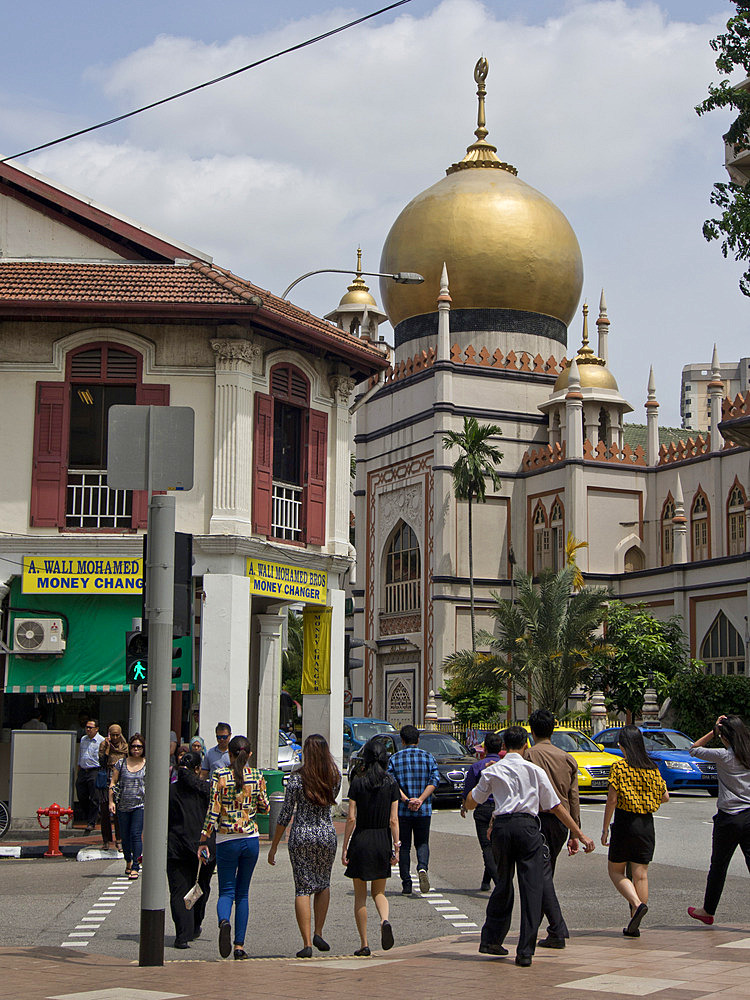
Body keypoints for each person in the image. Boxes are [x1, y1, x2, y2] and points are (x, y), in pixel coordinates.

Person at [464, 725, 595, 967]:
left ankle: (491, 939)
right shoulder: (535, 771)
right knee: (531, 887)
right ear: (526, 745)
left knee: (502, 883)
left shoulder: (494, 770)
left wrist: (468, 801)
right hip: (528, 828)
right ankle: (525, 951)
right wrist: (580, 834)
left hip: (502, 829)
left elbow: (474, 800)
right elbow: (556, 807)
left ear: (503, 747)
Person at [268, 734, 341, 957]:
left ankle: (307, 943)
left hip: (302, 834)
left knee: (302, 888)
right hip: (326, 834)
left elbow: (286, 813)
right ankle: (319, 931)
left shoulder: (297, 778)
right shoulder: (334, 776)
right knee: (323, 883)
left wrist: (273, 846)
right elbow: (332, 801)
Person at [198, 734, 269, 960]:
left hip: (226, 839)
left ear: (229, 753)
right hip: (250, 839)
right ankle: (239, 946)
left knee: (226, 890)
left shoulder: (220, 775)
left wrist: (203, 837)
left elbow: (213, 810)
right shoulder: (256, 776)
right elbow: (266, 807)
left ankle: (223, 921)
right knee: (243, 893)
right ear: (249, 754)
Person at [601, 725, 668, 937]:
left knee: (616, 871)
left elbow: (612, 799)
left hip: (624, 822)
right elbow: (665, 796)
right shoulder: (652, 768)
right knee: (641, 875)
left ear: (623, 745)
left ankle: (636, 904)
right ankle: (634, 923)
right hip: (646, 825)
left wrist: (605, 829)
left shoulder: (619, 768)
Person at [526, 709, 581, 949]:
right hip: (561, 823)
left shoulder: (528, 755)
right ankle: (538, 927)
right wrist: (574, 832)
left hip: (537, 820)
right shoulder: (567, 757)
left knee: (540, 875)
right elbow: (574, 797)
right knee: (545, 872)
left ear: (532, 730)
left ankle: (557, 928)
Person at [688, 714, 750, 925]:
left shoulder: (724, 755)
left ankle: (708, 910)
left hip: (728, 818)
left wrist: (713, 730)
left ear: (725, 737)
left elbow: (694, 749)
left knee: (719, 866)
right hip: (749, 816)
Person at [342, 737, 400, 956]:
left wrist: (345, 847)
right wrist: (396, 847)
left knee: (360, 896)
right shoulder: (391, 783)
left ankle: (364, 943)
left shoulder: (358, 783)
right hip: (382, 840)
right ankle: (385, 921)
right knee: (379, 892)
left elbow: (350, 819)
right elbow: (394, 820)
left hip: (362, 839)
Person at [168, 751, 216, 949]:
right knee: (201, 887)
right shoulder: (207, 790)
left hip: (177, 847)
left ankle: (182, 934)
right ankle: (195, 925)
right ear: (198, 770)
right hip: (203, 848)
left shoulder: (170, 791)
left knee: (179, 890)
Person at [387, 725, 440, 895]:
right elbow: (434, 780)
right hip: (423, 810)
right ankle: (422, 868)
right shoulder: (428, 757)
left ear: (402, 741)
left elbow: (392, 783)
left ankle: (406, 883)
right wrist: (421, 799)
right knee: (422, 842)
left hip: (402, 809)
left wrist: (406, 799)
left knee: (403, 846)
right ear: (418, 740)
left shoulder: (395, 759)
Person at [461, 730, 505, 890]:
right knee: (496, 846)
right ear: (501, 748)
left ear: (484, 748)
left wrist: (464, 805)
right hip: (501, 807)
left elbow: (468, 790)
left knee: (487, 847)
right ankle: (486, 881)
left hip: (482, 808)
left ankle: (499, 883)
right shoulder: (504, 765)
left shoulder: (476, 766)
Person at [109, 733, 146, 879]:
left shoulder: (146, 763)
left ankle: (136, 866)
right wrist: (111, 802)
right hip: (123, 805)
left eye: (139, 746)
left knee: (135, 835)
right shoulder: (121, 763)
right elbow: (113, 783)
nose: (136, 749)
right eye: (133, 746)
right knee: (124, 837)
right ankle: (128, 861)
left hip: (140, 805)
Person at [98, 723, 128, 850]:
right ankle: (106, 840)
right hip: (106, 779)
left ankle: (119, 839)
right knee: (105, 811)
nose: (115, 738)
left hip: (120, 781)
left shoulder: (124, 746)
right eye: (112, 735)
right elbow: (101, 761)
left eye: (117, 735)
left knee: (118, 812)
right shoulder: (104, 745)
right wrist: (107, 749)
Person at [77, 719, 104, 834]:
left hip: (95, 770)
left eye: (90, 727)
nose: (88, 729)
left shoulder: (101, 741)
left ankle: (91, 822)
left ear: (96, 729)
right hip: (83, 770)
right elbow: (81, 754)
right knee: (81, 794)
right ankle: (91, 815)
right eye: (86, 727)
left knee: (94, 797)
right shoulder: (83, 739)